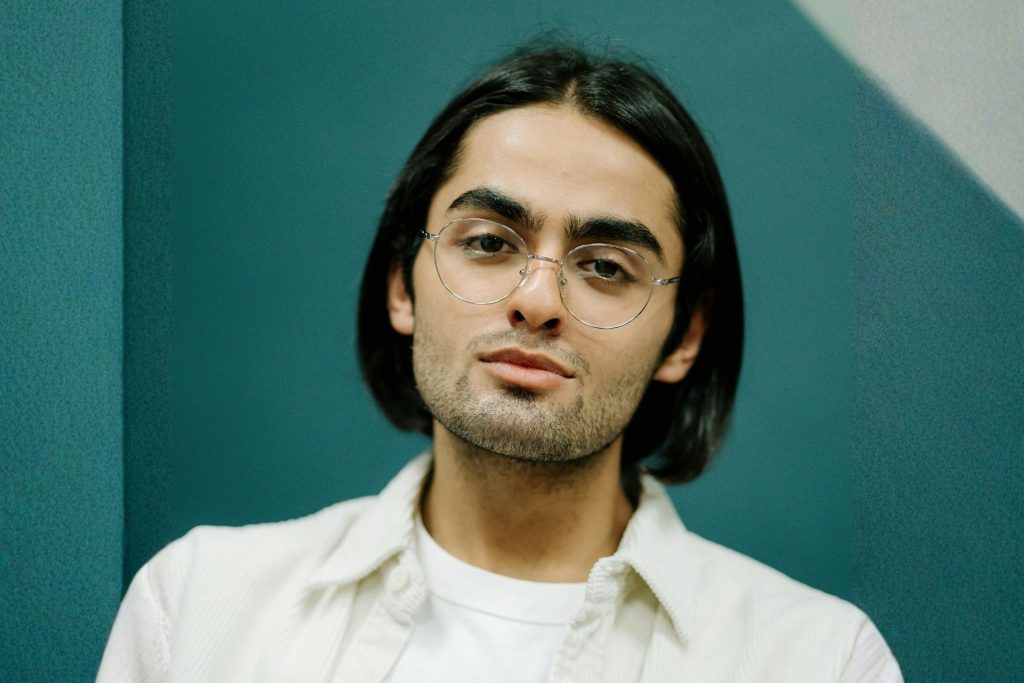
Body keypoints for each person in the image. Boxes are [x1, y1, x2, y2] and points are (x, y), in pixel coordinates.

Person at [98, 40, 901, 682]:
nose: (538, 300)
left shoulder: (821, 661)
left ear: (684, 335)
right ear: (399, 285)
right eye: (489, 243)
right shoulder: (198, 608)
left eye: (605, 266)